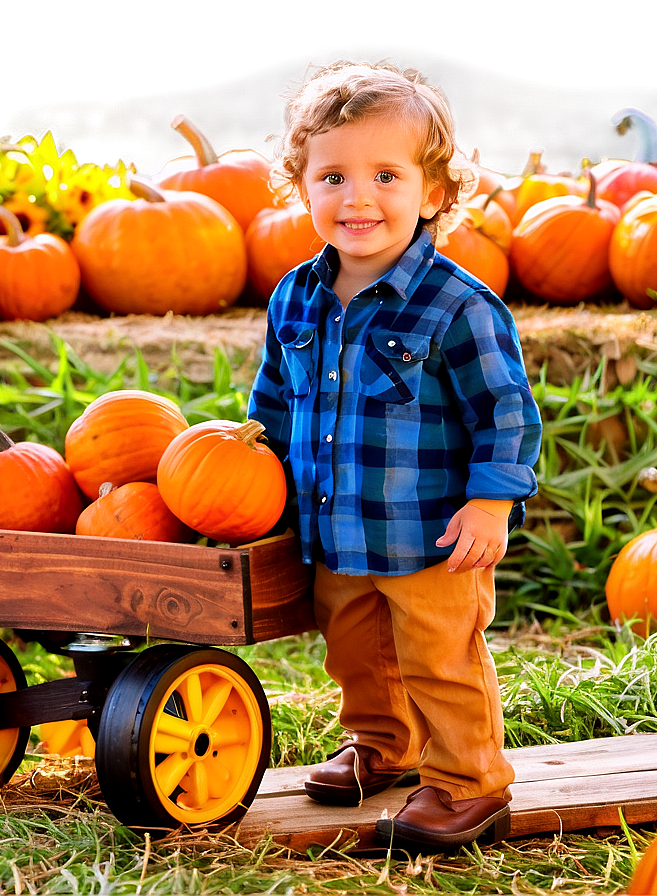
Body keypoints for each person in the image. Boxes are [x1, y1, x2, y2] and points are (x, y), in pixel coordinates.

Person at [248, 61, 542, 851]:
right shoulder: (295, 297)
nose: (358, 198)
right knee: (356, 652)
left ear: (435, 191)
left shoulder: (459, 305)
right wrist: (252, 483)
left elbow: (506, 411)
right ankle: (383, 746)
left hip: (431, 537)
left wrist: (492, 501)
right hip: (339, 530)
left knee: (439, 659)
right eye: (333, 176)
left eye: (386, 174)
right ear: (300, 186)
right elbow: (273, 402)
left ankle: (469, 782)